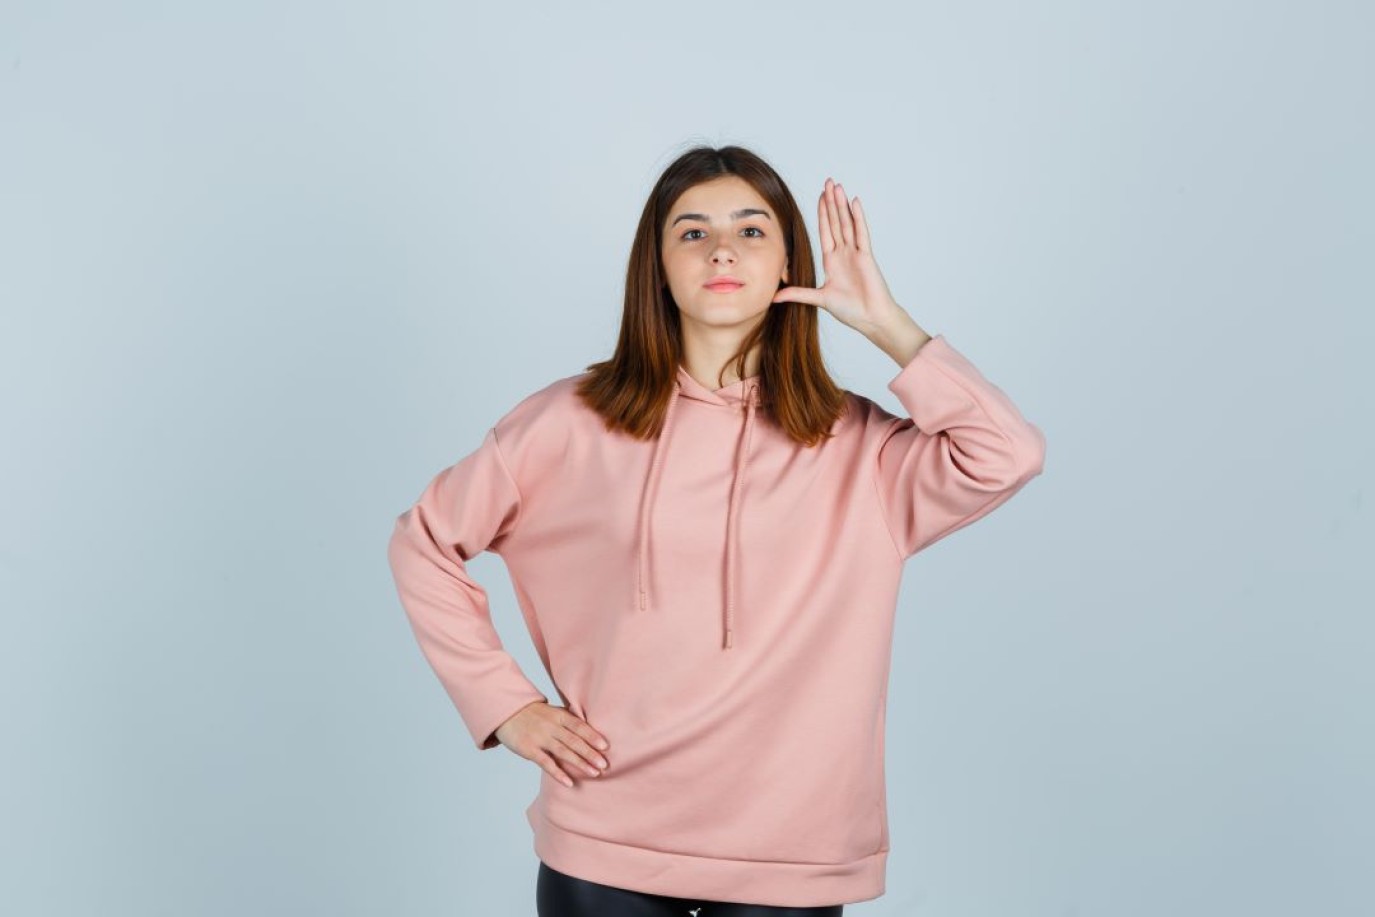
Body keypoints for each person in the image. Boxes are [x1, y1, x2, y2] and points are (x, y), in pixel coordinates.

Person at [387, 145, 1047, 914]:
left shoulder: (860, 449)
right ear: (658, 265)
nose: (722, 250)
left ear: (788, 262)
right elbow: (424, 541)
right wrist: (505, 705)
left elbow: (1008, 454)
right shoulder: (567, 422)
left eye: (751, 230)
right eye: (692, 232)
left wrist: (887, 324)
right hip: (606, 838)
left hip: (794, 850)